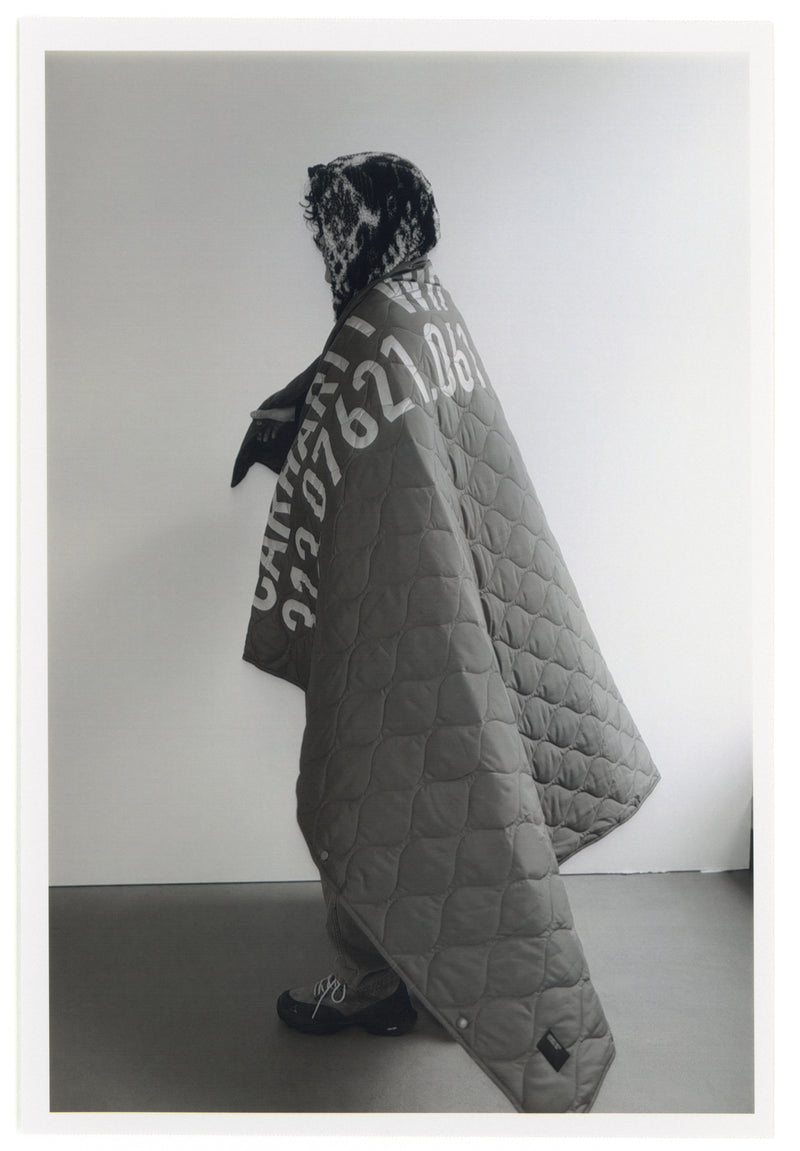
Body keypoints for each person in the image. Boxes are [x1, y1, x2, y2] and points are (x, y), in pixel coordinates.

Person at [232, 152, 659, 1112]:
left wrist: (324, 403)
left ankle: (379, 981)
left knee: (372, 778)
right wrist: (303, 404)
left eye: (340, 223)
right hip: (449, 586)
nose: (326, 242)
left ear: (382, 226)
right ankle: (404, 970)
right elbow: (369, 386)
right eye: (321, 224)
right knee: (418, 789)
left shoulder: (385, 323)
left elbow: (376, 406)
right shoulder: (422, 304)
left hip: (410, 604)